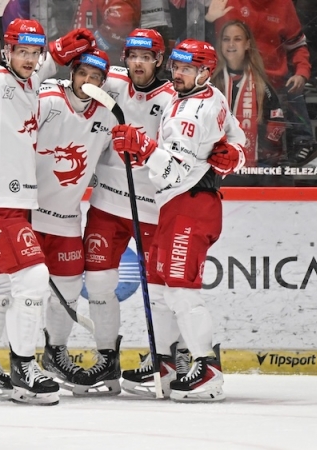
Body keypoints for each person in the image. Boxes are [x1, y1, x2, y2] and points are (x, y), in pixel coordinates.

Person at [0, 19, 96, 405]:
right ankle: (24, 366)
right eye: (20, 51)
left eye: (34, 52)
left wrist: (58, 49)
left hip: (14, 203)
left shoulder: (30, 78)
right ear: (5, 50)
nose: (28, 59)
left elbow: (44, 63)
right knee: (34, 277)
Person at [110, 38, 246, 402]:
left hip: (191, 204)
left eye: (188, 68)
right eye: (177, 66)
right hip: (173, 205)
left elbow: (175, 169)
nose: (179, 74)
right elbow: (238, 136)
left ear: (205, 71)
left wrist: (143, 148)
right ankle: (165, 363)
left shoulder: (192, 115)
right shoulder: (207, 95)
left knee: (182, 290)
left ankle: (207, 369)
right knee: (156, 285)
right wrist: (237, 153)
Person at [76, 28, 188, 398]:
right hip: (107, 202)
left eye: (147, 57)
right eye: (133, 56)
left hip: (155, 207)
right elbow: (68, 87)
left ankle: (171, 356)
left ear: (159, 60)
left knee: (163, 289)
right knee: (98, 284)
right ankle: (107, 360)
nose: (138, 63)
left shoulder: (174, 96)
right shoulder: (109, 84)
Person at [32, 49, 120, 395]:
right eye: (83, 73)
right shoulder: (48, 98)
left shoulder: (109, 116)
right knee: (15, 294)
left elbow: (106, 162)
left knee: (67, 292)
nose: (89, 82)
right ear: (73, 73)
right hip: (29, 213)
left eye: (96, 77)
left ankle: (54, 354)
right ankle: (12, 359)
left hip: (67, 218)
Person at [205, 0, 316, 166]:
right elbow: (200, 40)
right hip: (229, 79)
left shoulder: (283, 4)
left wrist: (302, 72)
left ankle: (303, 141)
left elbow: (298, 44)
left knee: (293, 87)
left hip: (273, 81)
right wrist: (207, 20)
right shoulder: (225, 1)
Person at [211, 20, 285, 167]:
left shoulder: (261, 84)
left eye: (237, 39)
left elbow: (276, 122)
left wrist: (265, 155)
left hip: (255, 167)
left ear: (247, 44)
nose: (231, 44)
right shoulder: (211, 82)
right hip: (217, 165)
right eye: (226, 39)